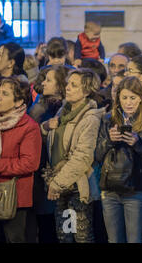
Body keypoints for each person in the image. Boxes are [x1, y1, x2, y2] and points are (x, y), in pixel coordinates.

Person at [41, 68, 105, 243]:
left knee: (81, 237)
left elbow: (83, 157)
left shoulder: (90, 118)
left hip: (76, 186)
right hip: (60, 183)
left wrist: (57, 183)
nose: (67, 88)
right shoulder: (63, 111)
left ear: (86, 91)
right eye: (68, 83)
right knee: (64, 236)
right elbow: (55, 141)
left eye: (74, 85)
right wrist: (45, 127)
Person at [95, 76, 142, 243]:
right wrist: (109, 140)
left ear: (141, 99)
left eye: (133, 98)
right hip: (110, 190)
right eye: (124, 98)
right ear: (118, 99)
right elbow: (97, 155)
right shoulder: (108, 119)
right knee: (114, 240)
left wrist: (138, 144)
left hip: (136, 191)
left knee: (134, 240)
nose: (128, 102)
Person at [28, 65, 71, 243]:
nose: (43, 83)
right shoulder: (39, 108)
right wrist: (43, 128)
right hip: (43, 175)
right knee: (46, 224)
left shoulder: (68, 108)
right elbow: (30, 137)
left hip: (64, 174)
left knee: (66, 227)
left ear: (61, 84)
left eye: (49, 80)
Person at [0, 76, 41, 243]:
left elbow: (29, 163)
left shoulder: (28, 126)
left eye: (5, 94)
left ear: (18, 101)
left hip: (14, 197)